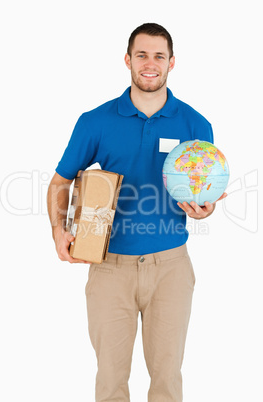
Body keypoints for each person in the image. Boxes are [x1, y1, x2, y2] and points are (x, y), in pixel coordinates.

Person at [47, 23, 226, 402]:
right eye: (141, 54)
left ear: (172, 63)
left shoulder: (196, 124)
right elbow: (60, 181)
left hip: (171, 270)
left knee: (167, 380)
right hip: (109, 268)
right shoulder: (95, 121)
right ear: (127, 60)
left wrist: (204, 211)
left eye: (159, 56)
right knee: (110, 380)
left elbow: (202, 198)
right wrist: (58, 230)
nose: (150, 63)